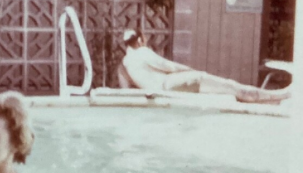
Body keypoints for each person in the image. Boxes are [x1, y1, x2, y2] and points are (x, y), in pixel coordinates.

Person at [119, 30, 291, 104]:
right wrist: (190, 71)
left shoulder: (123, 65)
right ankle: (280, 95)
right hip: (170, 84)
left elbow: (125, 90)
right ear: (140, 39)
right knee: (230, 86)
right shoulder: (142, 52)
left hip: (163, 89)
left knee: (229, 89)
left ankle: (275, 97)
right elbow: (169, 66)